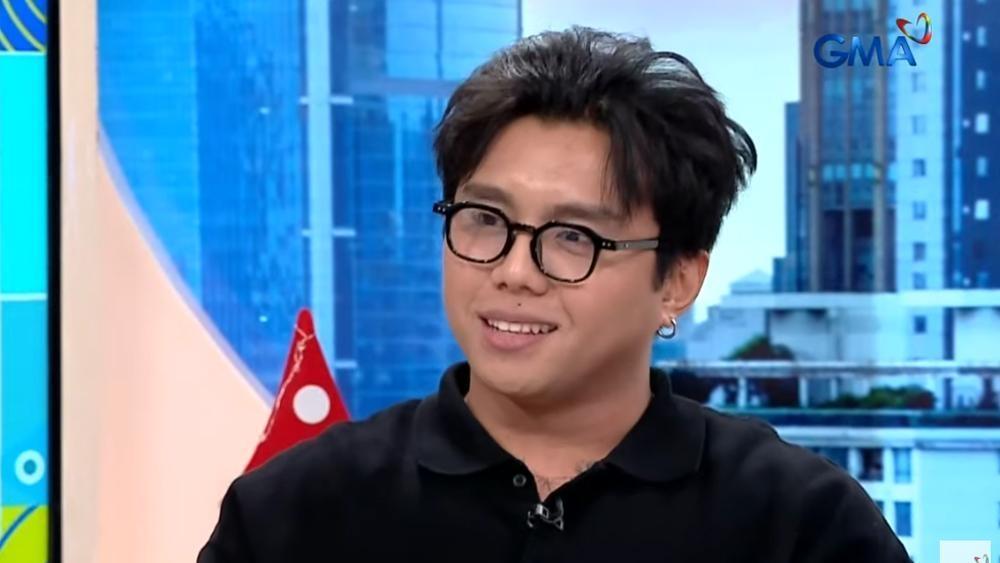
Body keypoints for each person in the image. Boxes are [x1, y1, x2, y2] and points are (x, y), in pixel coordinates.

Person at [198, 27, 910, 562]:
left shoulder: (801, 524)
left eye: (573, 236)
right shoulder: (295, 514)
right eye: (485, 220)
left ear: (678, 280)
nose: (514, 270)